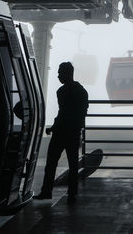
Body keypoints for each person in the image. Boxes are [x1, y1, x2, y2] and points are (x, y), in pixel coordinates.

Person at [34, 62, 88, 203]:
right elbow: (80, 113)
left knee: (51, 163)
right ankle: (72, 192)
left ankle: (46, 191)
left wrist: (53, 128)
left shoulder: (61, 92)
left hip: (60, 133)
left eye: (60, 73)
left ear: (66, 73)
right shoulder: (81, 91)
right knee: (73, 164)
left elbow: (62, 113)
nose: (58, 76)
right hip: (73, 132)